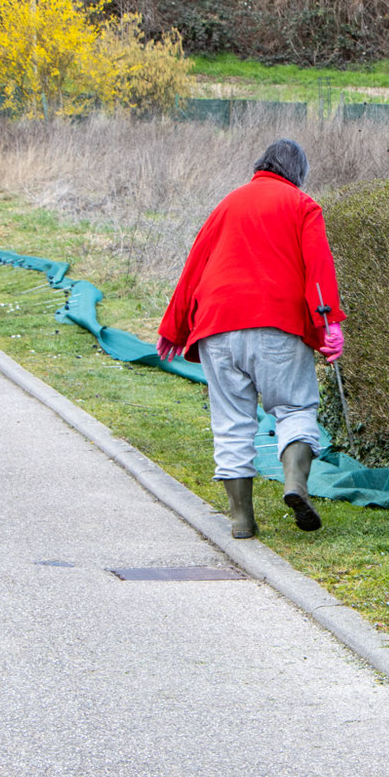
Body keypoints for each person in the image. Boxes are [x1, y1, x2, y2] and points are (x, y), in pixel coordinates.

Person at [156, 139, 345, 540]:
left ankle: (242, 519)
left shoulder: (228, 203)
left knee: (231, 423)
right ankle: (295, 482)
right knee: (295, 407)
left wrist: (173, 327)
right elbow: (318, 267)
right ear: (298, 174)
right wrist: (329, 322)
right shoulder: (302, 205)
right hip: (278, 325)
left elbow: (196, 264)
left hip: (217, 326)